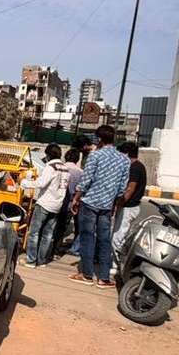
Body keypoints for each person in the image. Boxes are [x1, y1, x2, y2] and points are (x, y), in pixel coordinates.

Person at [68, 124, 129, 289]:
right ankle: (104, 278)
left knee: (87, 238)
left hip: (90, 202)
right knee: (104, 240)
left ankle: (87, 275)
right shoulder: (124, 160)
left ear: (100, 139)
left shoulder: (95, 156)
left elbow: (86, 180)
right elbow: (122, 188)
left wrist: (76, 198)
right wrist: (113, 203)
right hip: (107, 205)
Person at [20, 143, 69, 267]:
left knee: (34, 232)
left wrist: (24, 182)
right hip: (57, 205)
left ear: (48, 155)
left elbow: (41, 183)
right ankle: (41, 260)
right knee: (48, 234)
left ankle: (31, 260)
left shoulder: (51, 167)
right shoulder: (65, 168)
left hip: (45, 203)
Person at [111, 141, 147, 260]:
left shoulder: (134, 168)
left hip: (128, 208)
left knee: (117, 238)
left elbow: (130, 189)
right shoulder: (138, 166)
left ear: (126, 154)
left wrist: (118, 204)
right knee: (119, 236)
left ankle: (116, 264)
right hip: (130, 207)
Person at [53, 147, 83, 256]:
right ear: (77, 159)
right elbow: (81, 188)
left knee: (59, 226)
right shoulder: (80, 172)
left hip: (59, 200)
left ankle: (55, 249)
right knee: (78, 227)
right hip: (74, 201)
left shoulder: (60, 168)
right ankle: (75, 248)